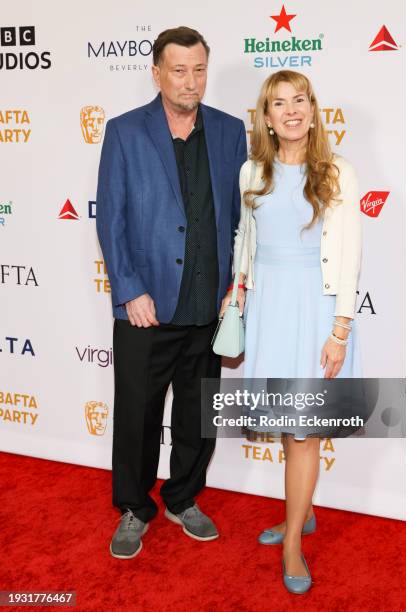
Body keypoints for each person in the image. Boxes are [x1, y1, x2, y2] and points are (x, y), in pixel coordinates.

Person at [96, 26, 247, 559]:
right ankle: (135, 508)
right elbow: (110, 220)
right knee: (136, 415)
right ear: (157, 72)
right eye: (179, 69)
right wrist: (129, 290)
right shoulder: (124, 132)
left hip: (209, 306)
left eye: (199, 69)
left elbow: (240, 221)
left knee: (196, 415)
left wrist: (236, 288)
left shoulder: (231, 132)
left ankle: (184, 497)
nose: (191, 80)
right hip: (147, 309)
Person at [221, 70, 362, 593]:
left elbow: (349, 254)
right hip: (269, 308)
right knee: (287, 425)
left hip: (316, 311)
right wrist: (237, 291)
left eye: (298, 100)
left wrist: (340, 330)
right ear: (266, 116)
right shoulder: (251, 171)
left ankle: (293, 546)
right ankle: (299, 514)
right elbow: (245, 241)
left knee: (303, 434)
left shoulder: (337, 171)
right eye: (278, 103)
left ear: (312, 106)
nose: (291, 111)